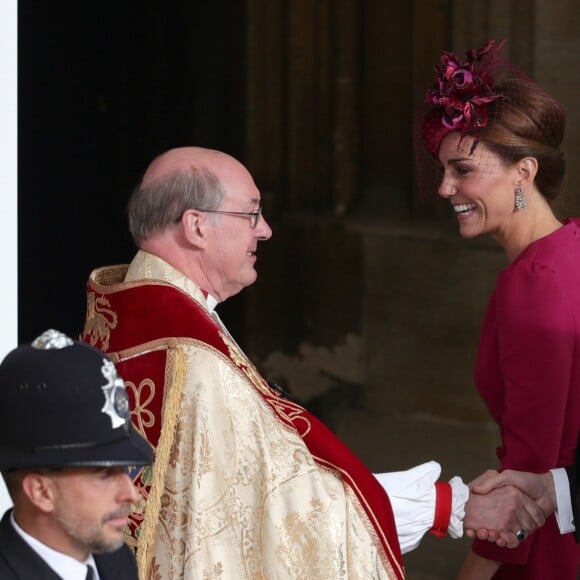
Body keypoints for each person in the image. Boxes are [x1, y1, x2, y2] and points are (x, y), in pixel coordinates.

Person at [82, 146, 545, 579]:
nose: (264, 229)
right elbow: (283, 520)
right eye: (251, 213)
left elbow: (262, 492)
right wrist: (449, 506)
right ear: (197, 226)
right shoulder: (196, 361)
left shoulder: (124, 312)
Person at [418, 39, 580, 578]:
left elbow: (526, 478)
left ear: (524, 172)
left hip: (550, 551)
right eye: (443, 170)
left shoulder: (535, 283)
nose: (446, 188)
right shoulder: (569, 250)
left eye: (463, 170)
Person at [0, 328, 154, 580]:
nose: (132, 494)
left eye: (125, 469)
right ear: (41, 492)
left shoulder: (115, 561)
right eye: (104, 474)